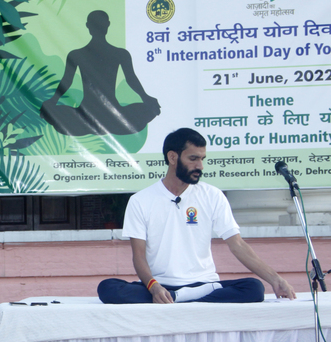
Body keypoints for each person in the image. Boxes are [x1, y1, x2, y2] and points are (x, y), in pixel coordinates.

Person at [97, 127, 297, 304]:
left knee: (254, 288)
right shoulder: (140, 200)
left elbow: (237, 245)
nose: (200, 166)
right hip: (160, 285)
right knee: (108, 288)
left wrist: (275, 279)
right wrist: (154, 287)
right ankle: (177, 297)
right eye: (193, 159)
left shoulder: (212, 195)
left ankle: (178, 298)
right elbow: (139, 256)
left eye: (202, 159)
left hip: (204, 284)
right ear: (172, 157)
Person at [41, 10, 160, 136]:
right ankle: (102, 126)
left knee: (147, 108)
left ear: (106, 25)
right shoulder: (77, 55)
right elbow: (67, 81)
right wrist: (52, 102)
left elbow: (131, 80)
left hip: (109, 115)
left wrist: (146, 98)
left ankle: (96, 126)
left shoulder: (120, 54)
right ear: (89, 26)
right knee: (51, 110)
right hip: (90, 115)